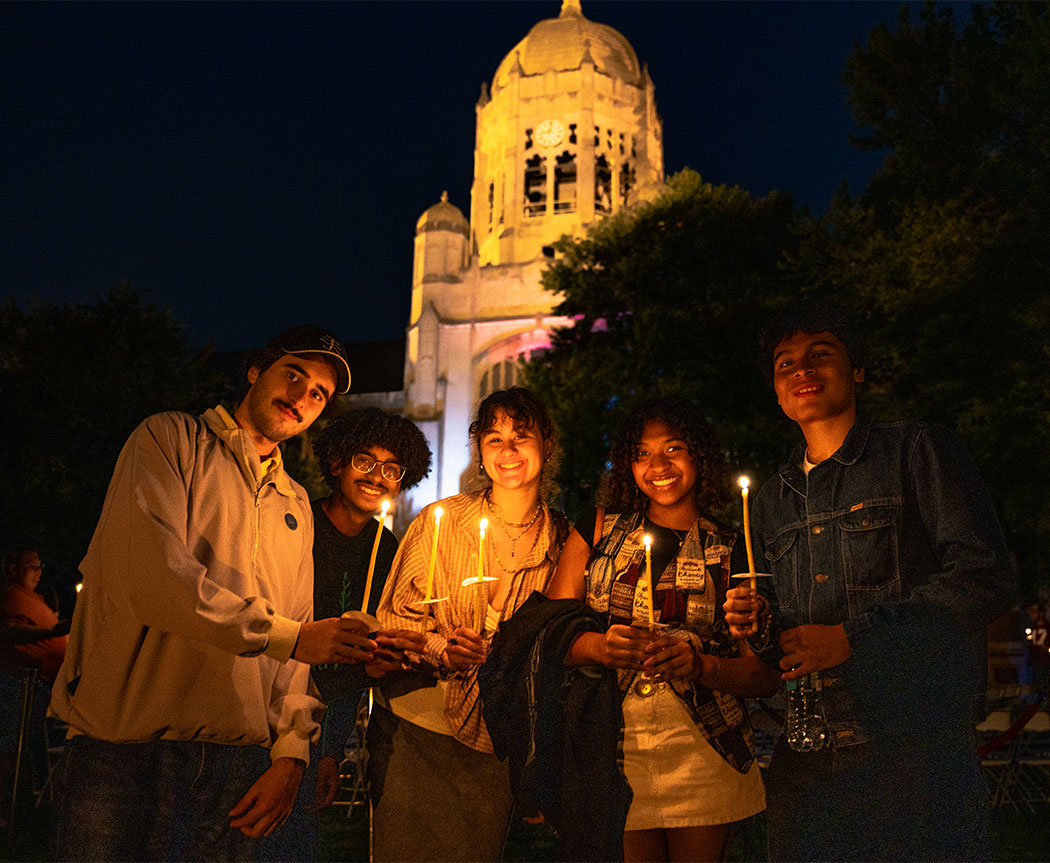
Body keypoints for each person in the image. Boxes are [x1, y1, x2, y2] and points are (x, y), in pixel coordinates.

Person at [49, 325, 380, 862]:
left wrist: (292, 754)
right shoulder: (169, 440)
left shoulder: (295, 502)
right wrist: (290, 638)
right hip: (126, 749)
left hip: (234, 762)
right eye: (292, 375)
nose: (301, 397)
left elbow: (296, 646)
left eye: (318, 393)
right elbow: (155, 580)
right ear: (254, 371)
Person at [723, 300, 1016, 861]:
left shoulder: (917, 450)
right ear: (776, 391)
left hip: (912, 749)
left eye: (820, 354)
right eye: (785, 364)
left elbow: (984, 576)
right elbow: (780, 644)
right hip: (808, 759)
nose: (802, 370)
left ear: (857, 368)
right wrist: (759, 625)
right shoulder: (767, 502)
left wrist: (853, 638)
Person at [543, 397, 778, 863]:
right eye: (643, 453)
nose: (658, 466)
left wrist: (700, 665)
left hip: (705, 752)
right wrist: (597, 646)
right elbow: (548, 634)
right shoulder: (599, 532)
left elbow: (764, 677)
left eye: (674, 449)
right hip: (614, 749)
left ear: (699, 457)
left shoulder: (734, 548)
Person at [369, 387, 568, 862]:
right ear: (479, 450)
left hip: (497, 735)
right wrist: (441, 649)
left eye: (522, 436)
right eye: (493, 437)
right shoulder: (443, 521)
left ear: (548, 446)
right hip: (418, 729)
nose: (507, 449)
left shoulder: (562, 540)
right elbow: (393, 620)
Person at [262, 407, 432, 861]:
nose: (377, 476)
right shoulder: (296, 525)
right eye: (365, 461)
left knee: (298, 845)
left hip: (321, 728)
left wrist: (334, 751)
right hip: (261, 716)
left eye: (391, 469)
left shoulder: (387, 548)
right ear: (337, 462)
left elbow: (355, 663)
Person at [1, 548, 68, 682]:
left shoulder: (36, 597)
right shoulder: (11, 596)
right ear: (13, 569)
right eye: (33, 567)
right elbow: (11, 631)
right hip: (30, 684)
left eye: (40, 567)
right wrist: (52, 632)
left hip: (52, 681)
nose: (39, 572)